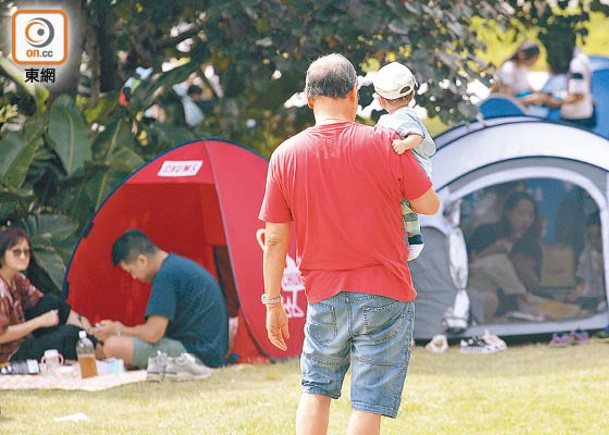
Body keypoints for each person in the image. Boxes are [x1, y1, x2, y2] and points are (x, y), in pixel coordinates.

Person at [259, 53, 439, 434]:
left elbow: (274, 238)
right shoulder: (386, 142)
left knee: (316, 390)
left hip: (324, 294)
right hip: (386, 290)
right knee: (368, 402)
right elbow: (429, 205)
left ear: (310, 100)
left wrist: (273, 302)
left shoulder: (285, 156)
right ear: (356, 94)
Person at [94, 229, 228, 371]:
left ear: (142, 261)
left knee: (113, 346)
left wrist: (118, 329)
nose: (134, 277)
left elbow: (153, 334)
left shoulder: (166, 276)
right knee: (113, 347)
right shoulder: (174, 267)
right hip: (209, 350)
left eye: (131, 271)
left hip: (199, 356)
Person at [0, 227, 94, 363]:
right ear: (2, 255)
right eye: (16, 252)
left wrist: (80, 318)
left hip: (23, 341)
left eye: (26, 252)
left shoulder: (17, 279)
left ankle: (88, 332)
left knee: (51, 302)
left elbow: (46, 303)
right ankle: (106, 350)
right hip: (9, 356)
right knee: (66, 336)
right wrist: (40, 322)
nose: (23, 257)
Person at [372, 62, 436, 261]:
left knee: (406, 207)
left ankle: (415, 238)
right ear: (413, 94)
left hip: (414, 170)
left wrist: (405, 145)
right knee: (403, 209)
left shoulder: (404, 116)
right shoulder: (388, 119)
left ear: (381, 100)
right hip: (400, 173)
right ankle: (412, 237)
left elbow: (416, 136)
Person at [467, 238, 543, 323]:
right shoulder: (504, 267)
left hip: (475, 299)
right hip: (471, 300)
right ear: (520, 258)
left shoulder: (502, 260)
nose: (529, 271)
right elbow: (525, 298)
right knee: (491, 300)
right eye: (530, 266)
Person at [468, 190, 542, 270]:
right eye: (521, 214)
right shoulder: (484, 232)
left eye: (531, 215)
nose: (526, 220)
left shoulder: (532, 246)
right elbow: (467, 263)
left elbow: (535, 278)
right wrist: (492, 250)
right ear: (508, 213)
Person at [565, 212, 605, 311]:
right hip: (593, 302)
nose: (593, 242)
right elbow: (584, 284)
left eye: (597, 236)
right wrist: (572, 296)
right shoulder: (586, 254)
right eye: (590, 237)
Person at [493, 41, 541, 105]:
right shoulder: (509, 68)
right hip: (504, 107)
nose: (535, 62)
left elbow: (527, 86)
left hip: (519, 101)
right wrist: (531, 99)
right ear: (522, 56)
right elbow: (508, 101)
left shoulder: (523, 68)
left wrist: (541, 95)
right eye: (534, 59)